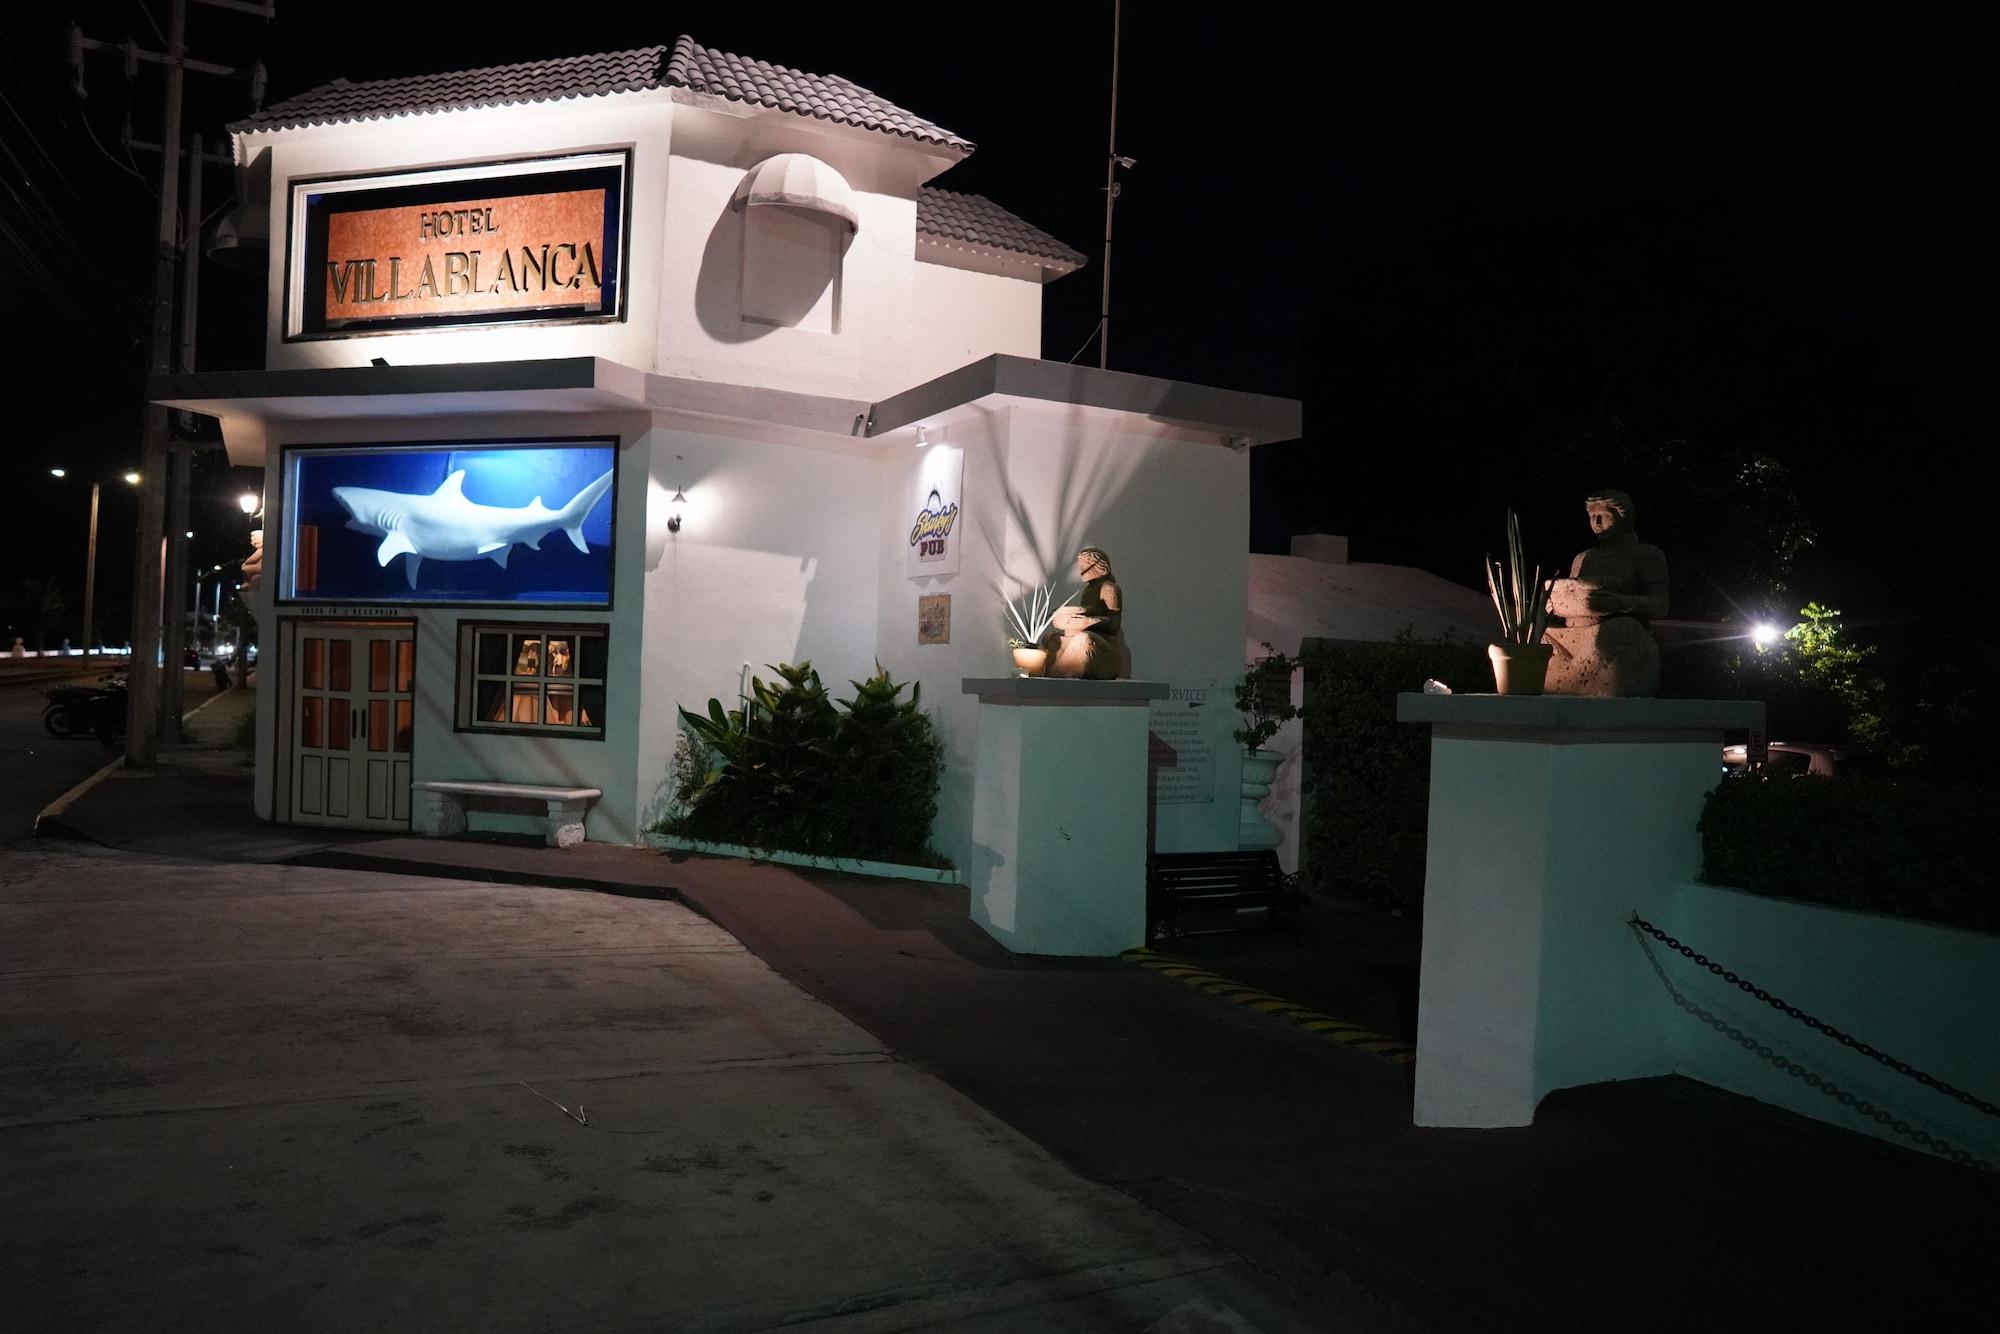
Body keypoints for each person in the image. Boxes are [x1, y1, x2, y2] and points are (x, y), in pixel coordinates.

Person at [1545, 490, 1668, 696]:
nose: (1597, 521)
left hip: (1615, 633)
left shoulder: (1646, 555)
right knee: (1536, 633)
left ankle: (1596, 676)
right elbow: (1576, 593)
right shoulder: (1583, 558)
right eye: (1593, 517)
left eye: (1603, 515)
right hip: (1575, 634)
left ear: (1623, 517)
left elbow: (1660, 605)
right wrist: (1557, 601)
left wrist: (1621, 602)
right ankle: (1571, 677)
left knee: (1623, 628)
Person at [1040, 547, 1131, 679]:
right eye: (1080, 567)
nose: (1081, 571)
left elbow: (1114, 624)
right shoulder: (1088, 591)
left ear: (1099, 566)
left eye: (1084, 567)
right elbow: (1087, 611)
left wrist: (1087, 622)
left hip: (1105, 646)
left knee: (1083, 639)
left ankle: (1059, 674)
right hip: (1083, 634)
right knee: (1051, 638)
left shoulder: (1109, 588)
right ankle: (1056, 675)